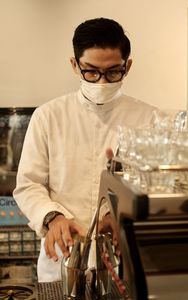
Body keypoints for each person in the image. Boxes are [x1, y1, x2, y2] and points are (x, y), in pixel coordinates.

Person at [13, 17, 159, 282]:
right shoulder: (48, 116)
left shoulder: (150, 120)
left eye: (113, 72)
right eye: (91, 71)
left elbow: (156, 188)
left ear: (128, 66)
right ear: (74, 65)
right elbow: (28, 184)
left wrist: (123, 216)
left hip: (123, 257)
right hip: (63, 257)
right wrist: (53, 217)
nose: (101, 82)